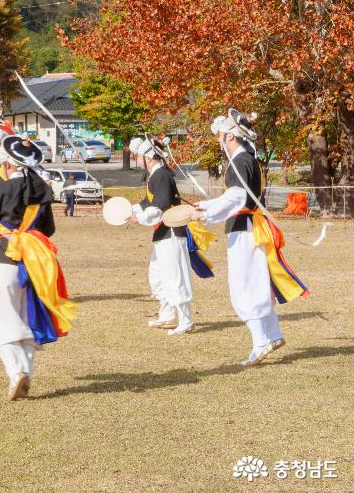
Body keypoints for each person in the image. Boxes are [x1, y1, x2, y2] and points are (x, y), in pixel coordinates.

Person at [192, 109, 308, 367]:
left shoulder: (240, 160)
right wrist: (206, 209)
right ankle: (273, 335)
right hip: (247, 228)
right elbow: (235, 198)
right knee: (255, 281)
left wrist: (206, 209)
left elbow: (236, 199)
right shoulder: (245, 160)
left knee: (245, 286)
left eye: (221, 134)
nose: (219, 139)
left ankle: (261, 341)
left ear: (230, 136)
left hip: (245, 230)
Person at [0, 135, 76, 401]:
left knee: (1, 321)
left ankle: (16, 372)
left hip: (4, 258)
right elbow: (49, 229)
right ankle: (27, 372)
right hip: (34, 261)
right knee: (25, 316)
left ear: (9, 164)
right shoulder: (41, 192)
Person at [129, 136, 214, 335]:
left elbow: (160, 206)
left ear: (148, 158)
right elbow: (148, 201)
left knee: (175, 276)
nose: (137, 159)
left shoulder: (161, 176)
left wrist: (139, 217)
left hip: (172, 232)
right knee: (157, 276)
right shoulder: (156, 176)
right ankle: (167, 314)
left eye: (139, 156)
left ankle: (186, 320)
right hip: (162, 233)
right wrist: (131, 209)